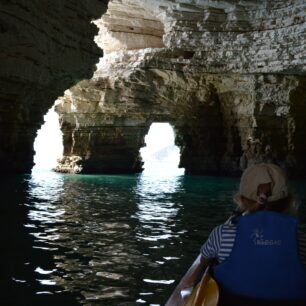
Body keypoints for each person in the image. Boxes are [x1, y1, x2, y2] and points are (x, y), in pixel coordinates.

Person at [198, 163, 306, 306]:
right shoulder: (301, 239)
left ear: (241, 199)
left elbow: (204, 262)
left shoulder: (222, 234)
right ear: (289, 201)